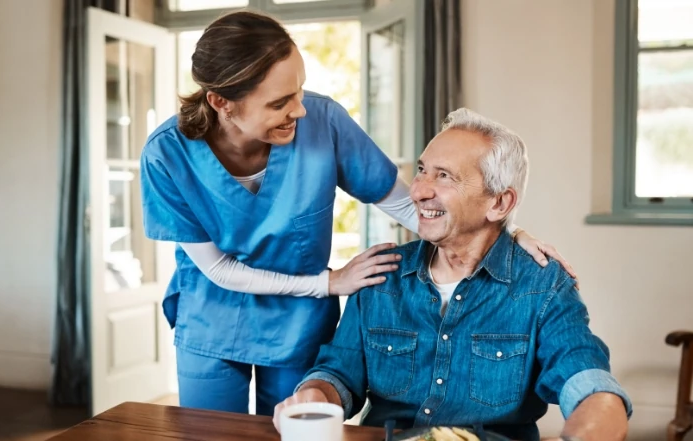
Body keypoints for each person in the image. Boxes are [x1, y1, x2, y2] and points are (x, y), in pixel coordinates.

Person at [140, 11, 575, 417]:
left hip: (297, 325)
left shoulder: (324, 122)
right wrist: (330, 282)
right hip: (213, 317)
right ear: (222, 102)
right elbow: (218, 268)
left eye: (299, 90)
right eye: (279, 103)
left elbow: (411, 206)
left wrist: (504, 232)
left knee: (298, 429)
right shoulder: (166, 155)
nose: (300, 109)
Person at [274, 109, 631, 441]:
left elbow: (586, 381)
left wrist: (595, 419)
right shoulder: (382, 275)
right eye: (422, 170)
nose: (418, 191)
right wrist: (313, 396)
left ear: (499, 203)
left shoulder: (543, 285)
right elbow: (339, 374)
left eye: (444, 177)